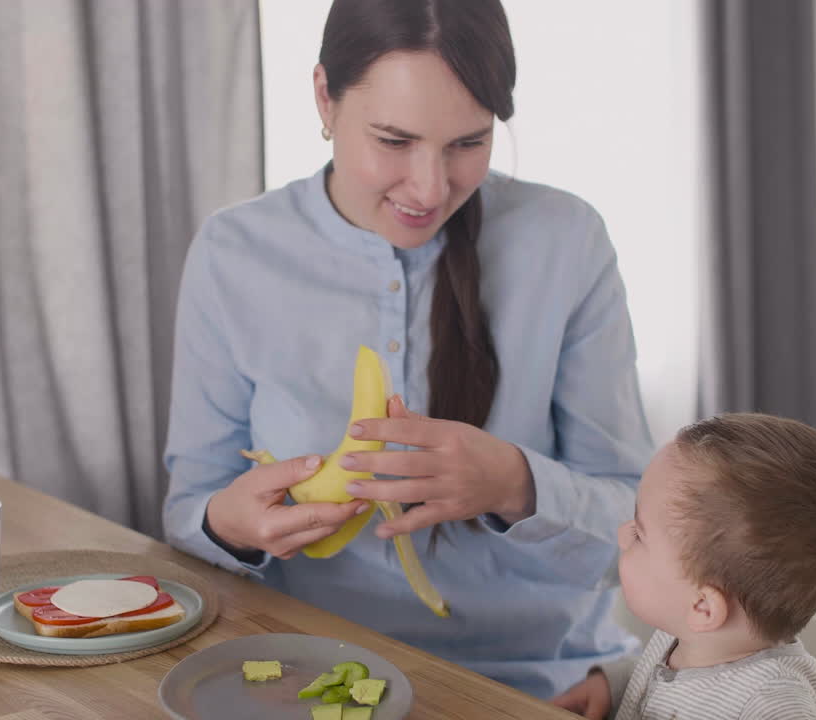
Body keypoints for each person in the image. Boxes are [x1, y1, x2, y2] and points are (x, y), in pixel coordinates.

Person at [162, 0, 653, 699]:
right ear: (325, 98)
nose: (430, 188)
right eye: (394, 141)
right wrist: (230, 524)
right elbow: (189, 511)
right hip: (312, 679)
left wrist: (517, 483)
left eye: (467, 143)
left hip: (541, 686)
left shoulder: (566, 242)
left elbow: (639, 531)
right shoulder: (234, 253)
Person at [554, 413, 816, 719]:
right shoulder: (687, 634)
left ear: (703, 606)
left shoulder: (772, 706)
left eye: (639, 534)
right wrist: (612, 687)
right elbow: (663, 678)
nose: (621, 535)